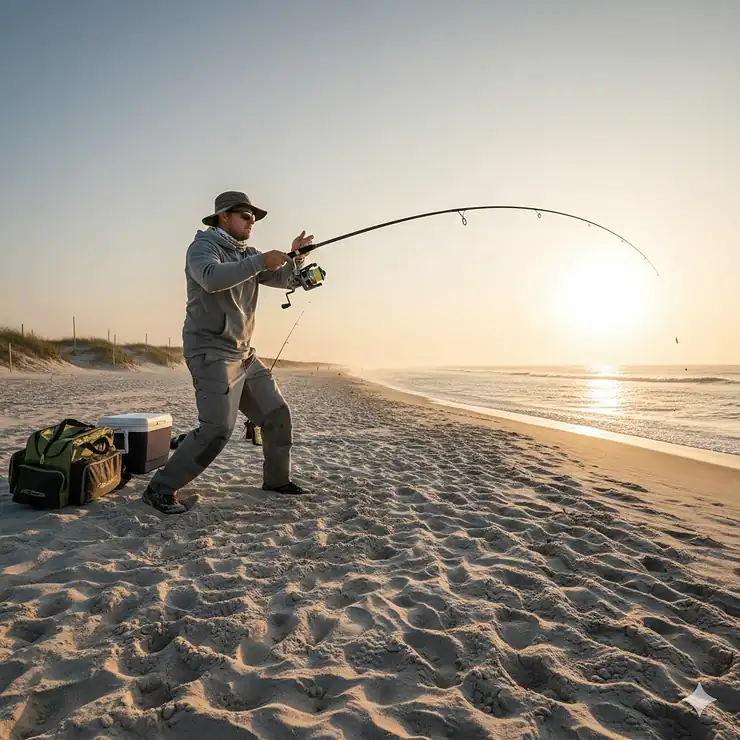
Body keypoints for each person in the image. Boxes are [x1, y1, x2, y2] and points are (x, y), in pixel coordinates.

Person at [142, 190, 314, 514]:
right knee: (217, 429)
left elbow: (281, 277)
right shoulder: (202, 248)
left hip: (244, 354)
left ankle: (277, 481)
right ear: (224, 217)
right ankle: (160, 489)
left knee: (276, 414)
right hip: (210, 352)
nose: (252, 223)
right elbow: (210, 279)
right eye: (245, 216)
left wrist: (296, 257)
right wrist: (259, 261)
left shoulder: (248, 254)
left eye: (254, 219)